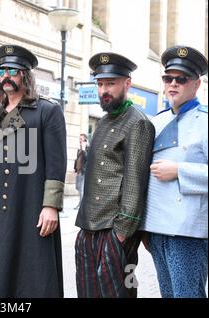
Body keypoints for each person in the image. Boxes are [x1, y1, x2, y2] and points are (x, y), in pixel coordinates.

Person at [0, 44, 67, 298]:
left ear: (25, 76)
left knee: (28, 274)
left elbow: (56, 163)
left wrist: (51, 206)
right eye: (3, 70)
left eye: (13, 71)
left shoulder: (46, 111)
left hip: (27, 205)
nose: (6, 75)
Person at [74, 52, 155, 298]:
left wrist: (121, 233)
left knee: (118, 294)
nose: (103, 90)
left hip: (115, 230)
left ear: (126, 84)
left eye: (110, 83)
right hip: (89, 226)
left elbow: (135, 181)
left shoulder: (138, 122)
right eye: (100, 84)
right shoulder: (104, 121)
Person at [141, 46, 208, 298]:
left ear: (196, 83)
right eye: (168, 78)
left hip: (187, 231)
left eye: (181, 79)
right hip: (156, 228)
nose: (173, 84)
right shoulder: (155, 121)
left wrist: (179, 170)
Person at [73, 133, 88, 210]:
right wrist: (75, 169)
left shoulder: (87, 148)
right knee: (77, 187)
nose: (79, 140)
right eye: (79, 138)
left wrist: (84, 149)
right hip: (78, 171)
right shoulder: (79, 149)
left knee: (81, 189)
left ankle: (81, 205)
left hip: (83, 171)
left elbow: (87, 159)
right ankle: (82, 202)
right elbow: (77, 159)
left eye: (81, 139)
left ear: (85, 139)